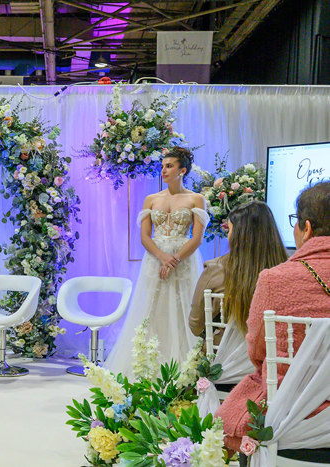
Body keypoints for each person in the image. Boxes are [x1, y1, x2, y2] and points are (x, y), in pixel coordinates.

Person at [216, 181, 330, 455]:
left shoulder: (275, 279)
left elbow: (257, 351)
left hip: (287, 408)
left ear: (307, 228)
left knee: (232, 417)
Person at [104, 147, 209, 375]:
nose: (164, 170)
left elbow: (197, 237)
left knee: (183, 310)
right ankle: (148, 366)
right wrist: (162, 258)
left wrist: (175, 260)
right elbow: (144, 237)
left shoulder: (196, 199)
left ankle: (184, 368)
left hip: (184, 261)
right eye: (163, 166)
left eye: (169, 166)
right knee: (152, 309)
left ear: (182, 170)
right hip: (155, 259)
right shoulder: (151, 199)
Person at [189, 201, 287, 349]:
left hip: (224, 358)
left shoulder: (216, 269)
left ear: (238, 235)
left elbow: (195, 325)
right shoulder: (286, 270)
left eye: (229, 230)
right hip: (274, 357)